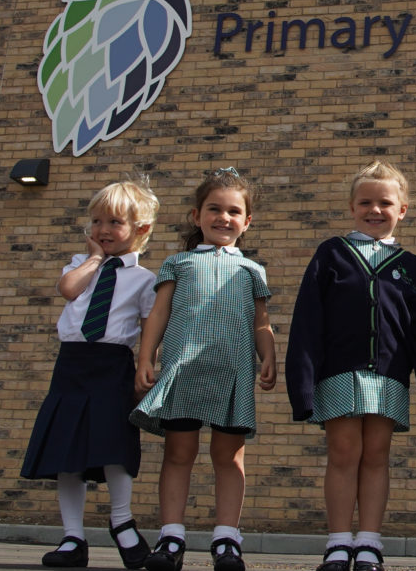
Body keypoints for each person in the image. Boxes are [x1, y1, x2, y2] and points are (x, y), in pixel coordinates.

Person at [286, 161, 416, 571]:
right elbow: (307, 321)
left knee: (376, 455)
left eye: (385, 203)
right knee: (343, 453)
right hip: (339, 373)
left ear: (403, 209)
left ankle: (370, 543)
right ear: (352, 207)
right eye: (365, 202)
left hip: (388, 376)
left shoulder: (410, 267)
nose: (375, 210)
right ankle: (338, 543)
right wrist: (301, 385)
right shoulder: (331, 254)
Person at [132, 168, 277, 571]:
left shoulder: (252, 270)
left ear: (247, 221)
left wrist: (269, 356)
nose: (223, 218)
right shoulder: (177, 264)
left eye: (234, 211)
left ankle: (227, 539)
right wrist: (146, 358)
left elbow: (260, 322)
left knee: (229, 457)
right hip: (183, 370)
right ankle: (172, 538)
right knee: (179, 454)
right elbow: (158, 314)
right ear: (197, 215)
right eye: (214, 209)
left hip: (232, 373)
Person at [21, 179, 161, 570]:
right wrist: (94, 259)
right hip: (72, 366)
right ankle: (72, 537)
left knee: (113, 447)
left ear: (141, 229)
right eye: (96, 221)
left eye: (114, 222)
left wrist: (145, 365)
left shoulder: (145, 279)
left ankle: (122, 522)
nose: (102, 230)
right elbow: (67, 290)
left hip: (112, 367)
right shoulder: (80, 267)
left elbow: (150, 327)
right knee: (68, 453)